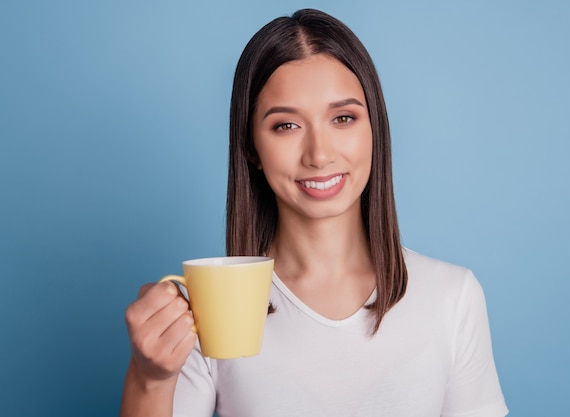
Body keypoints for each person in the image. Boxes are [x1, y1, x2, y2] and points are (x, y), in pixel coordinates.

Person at [120, 8, 508, 417]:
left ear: (374, 129)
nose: (320, 155)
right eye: (286, 126)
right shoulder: (208, 311)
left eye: (343, 118)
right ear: (251, 147)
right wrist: (149, 378)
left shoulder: (453, 297)